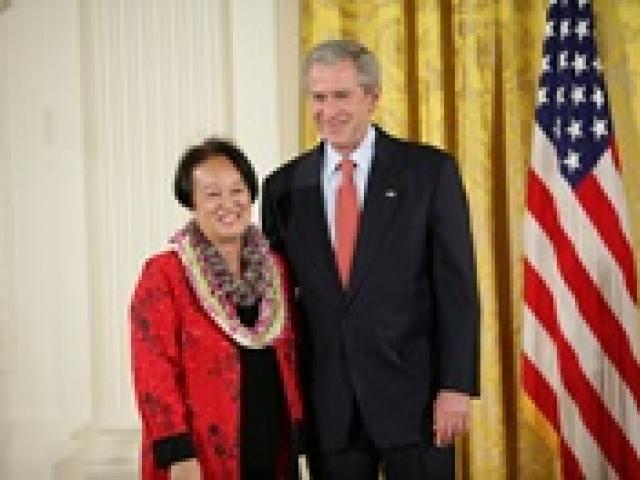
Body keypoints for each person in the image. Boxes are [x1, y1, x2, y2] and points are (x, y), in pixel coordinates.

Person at [261, 39, 479, 479]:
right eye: (318, 98)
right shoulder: (282, 187)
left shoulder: (428, 173)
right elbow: (278, 301)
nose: (328, 110)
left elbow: (456, 288)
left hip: (415, 400)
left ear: (373, 97)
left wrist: (455, 386)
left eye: (342, 96)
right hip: (329, 405)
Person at [130, 137, 302, 480]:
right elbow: (153, 371)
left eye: (237, 190)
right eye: (212, 194)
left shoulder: (277, 268)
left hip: (274, 449)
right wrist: (177, 452)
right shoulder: (165, 274)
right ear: (191, 202)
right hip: (202, 456)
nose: (228, 203)